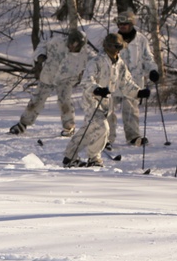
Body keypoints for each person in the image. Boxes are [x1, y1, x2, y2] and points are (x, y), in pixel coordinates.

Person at [63, 33, 148, 167]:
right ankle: (94, 158)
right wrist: (96, 89)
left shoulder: (120, 63)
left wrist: (138, 92)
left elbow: (126, 83)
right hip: (92, 99)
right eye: (116, 47)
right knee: (103, 127)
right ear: (108, 46)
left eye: (120, 47)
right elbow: (86, 81)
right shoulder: (96, 61)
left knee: (90, 129)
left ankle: (70, 156)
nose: (118, 50)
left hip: (107, 101)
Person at [9, 29, 92, 137]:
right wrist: (40, 56)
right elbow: (42, 45)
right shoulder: (56, 42)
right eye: (71, 43)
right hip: (48, 75)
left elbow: (94, 65)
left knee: (65, 102)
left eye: (76, 46)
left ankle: (69, 127)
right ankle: (23, 123)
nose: (72, 46)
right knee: (37, 100)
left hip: (66, 79)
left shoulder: (85, 54)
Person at [109, 9, 160, 149]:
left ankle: (133, 137)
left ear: (131, 24)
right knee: (108, 109)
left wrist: (152, 70)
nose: (122, 26)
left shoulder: (141, 39)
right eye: (120, 24)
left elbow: (147, 57)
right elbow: (104, 57)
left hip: (134, 80)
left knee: (131, 108)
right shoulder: (112, 38)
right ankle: (107, 138)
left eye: (125, 24)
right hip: (115, 79)